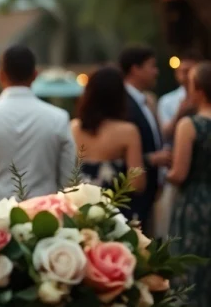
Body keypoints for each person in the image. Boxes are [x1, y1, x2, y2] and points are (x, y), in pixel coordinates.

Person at [0, 46, 77, 203]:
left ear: (0, 75)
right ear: (35, 75)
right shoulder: (58, 118)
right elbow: (69, 178)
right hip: (44, 218)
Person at [166, 61, 211, 307]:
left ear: (197, 88)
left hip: (195, 204)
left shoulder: (190, 125)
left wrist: (163, 167)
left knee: (190, 271)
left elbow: (180, 174)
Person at [119, 46, 171, 234]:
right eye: (151, 66)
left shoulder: (145, 101)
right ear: (135, 69)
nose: (156, 72)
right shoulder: (122, 103)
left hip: (147, 195)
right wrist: (151, 159)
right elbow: (118, 152)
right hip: (131, 199)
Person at [70, 66, 145, 194]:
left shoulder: (73, 127)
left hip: (78, 206)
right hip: (113, 209)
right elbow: (137, 183)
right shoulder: (128, 132)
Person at [155, 54, 200, 237]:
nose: (186, 76)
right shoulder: (168, 101)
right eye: (183, 71)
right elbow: (164, 133)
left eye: (190, 71)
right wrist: (180, 113)